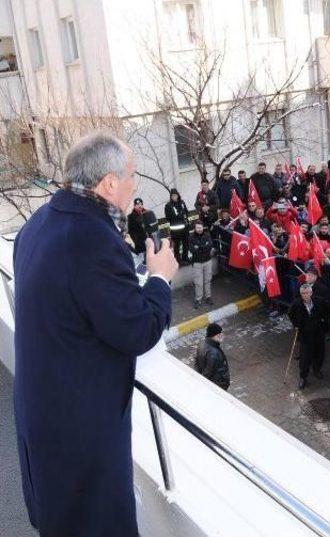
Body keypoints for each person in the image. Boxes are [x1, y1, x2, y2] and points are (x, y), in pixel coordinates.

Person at [13, 133, 177, 536]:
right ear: (107, 183)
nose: (133, 185)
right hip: (80, 434)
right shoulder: (91, 240)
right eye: (131, 176)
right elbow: (138, 330)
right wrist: (159, 278)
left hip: (44, 414)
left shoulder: (38, 223)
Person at [287, 284, 330, 389]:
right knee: (305, 356)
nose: (305, 295)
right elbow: (290, 314)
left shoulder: (319, 301)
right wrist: (296, 325)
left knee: (319, 352)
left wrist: (325, 320)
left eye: (307, 293)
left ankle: (317, 369)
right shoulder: (297, 304)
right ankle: (303, 377)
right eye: (303, 293)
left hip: (318, 332)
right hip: (305, 334)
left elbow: (329, 309)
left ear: (311, 293)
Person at [195, 323, 230, 390]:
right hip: (217, 386)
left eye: (221, 333)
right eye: (219, 334)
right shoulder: (213, 353)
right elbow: (208, 373)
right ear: (212, 335)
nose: (222, 335)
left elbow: (197, 364)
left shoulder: (202, 344)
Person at [189, 219, 214, 308]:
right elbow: (192, 250)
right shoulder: (191, 237)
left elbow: (210, 245)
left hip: (208, 261)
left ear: (203, 227)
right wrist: (204, 246)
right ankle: (198, 299)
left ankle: (208, 297)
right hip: (197, 263)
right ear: (195, 229)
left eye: (201, 227)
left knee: (207, 280)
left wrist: (199, 247)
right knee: (198, 282)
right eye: (197, 228)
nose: (199, 229)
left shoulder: (207, 235)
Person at [165, 187, 190, 264]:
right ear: (171, 197)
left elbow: (186, 212)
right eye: (172, 196)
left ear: (178, 195)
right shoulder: (168, 205)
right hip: (175, 229)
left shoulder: (182, 202)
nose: (174, 197)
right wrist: (178, 216)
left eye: (175, 195)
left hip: (184, 228)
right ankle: (178, 260)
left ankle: (185, 258)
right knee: (177, 245)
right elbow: (168, 218)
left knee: (186, 243)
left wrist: (185, 214)